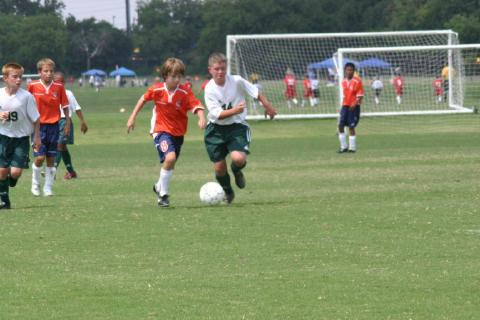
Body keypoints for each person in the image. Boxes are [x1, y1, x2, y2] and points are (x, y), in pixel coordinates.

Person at [127, 58, 206, 207]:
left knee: (170, 163)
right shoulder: (157, 90)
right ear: (165, 76)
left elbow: (197, 105)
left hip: (178, 133)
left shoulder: (184, 91)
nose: (177, 79)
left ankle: (158, 187)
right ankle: (163, 195)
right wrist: (132, 117)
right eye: (173, 76)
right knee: (170, 158)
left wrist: (201, 118)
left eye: (179, 76)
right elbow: (142, 100)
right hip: (160, 130)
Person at [204, 52, 277, 203]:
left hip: (237, 127)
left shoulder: (236, 80)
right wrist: (235, 110)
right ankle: (228, 191)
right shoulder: (209, 89)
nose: (220, 72)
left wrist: (268, 106)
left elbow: (255, 92)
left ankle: (237, 170)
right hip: (215, 130)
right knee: (219, 168)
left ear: (227, 68)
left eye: (223, 68)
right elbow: (218, 114)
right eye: (216, 69)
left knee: (238, 158)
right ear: (210, 69)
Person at [0, 63, 41, 209]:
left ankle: (12, 179)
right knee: (2, 171)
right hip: (3, 137)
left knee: (15, 172)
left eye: (20, 77)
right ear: (5, 78)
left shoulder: (26, 97)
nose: (18, 80)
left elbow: (36, 119)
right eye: (15, 77)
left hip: (21, 139)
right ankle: (4, 201)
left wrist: (36, 138)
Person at [28, 58, 71, 196]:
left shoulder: (59, 87)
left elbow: (65, 107)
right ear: (39, 72)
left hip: (54, 126)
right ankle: (35, 183)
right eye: (45, 71)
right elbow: (26, 104)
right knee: (40, 158)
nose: (49, 73)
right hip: (38, 127)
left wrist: (67, 124)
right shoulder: (33, 86)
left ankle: (48, 187)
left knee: (51, 159)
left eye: (51, 71)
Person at [53, 72, 88, 179]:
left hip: (65, 121)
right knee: (62, 147)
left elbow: (76, 108)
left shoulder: (68, 93)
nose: (60, 84)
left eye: (61, 81)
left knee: (59, 145)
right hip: (53, 122)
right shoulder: (51, 93)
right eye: (57, 81)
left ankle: (52, 171)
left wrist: (83, 121)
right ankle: (71, 172)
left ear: (64, 83)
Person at [338, 62, 363, 153]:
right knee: (340, 125)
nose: (349, 72)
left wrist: (355, 103)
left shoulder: (357, 81)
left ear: (354, 71)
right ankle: (343, 147)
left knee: (351, 127)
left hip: (354, 107)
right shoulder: (343, 82)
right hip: (345, 106)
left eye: (351, 70)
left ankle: (352, 148)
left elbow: (360, 95)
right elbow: (346, 95)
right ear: (345, 71)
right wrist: (343, 105)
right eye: (347, 70)